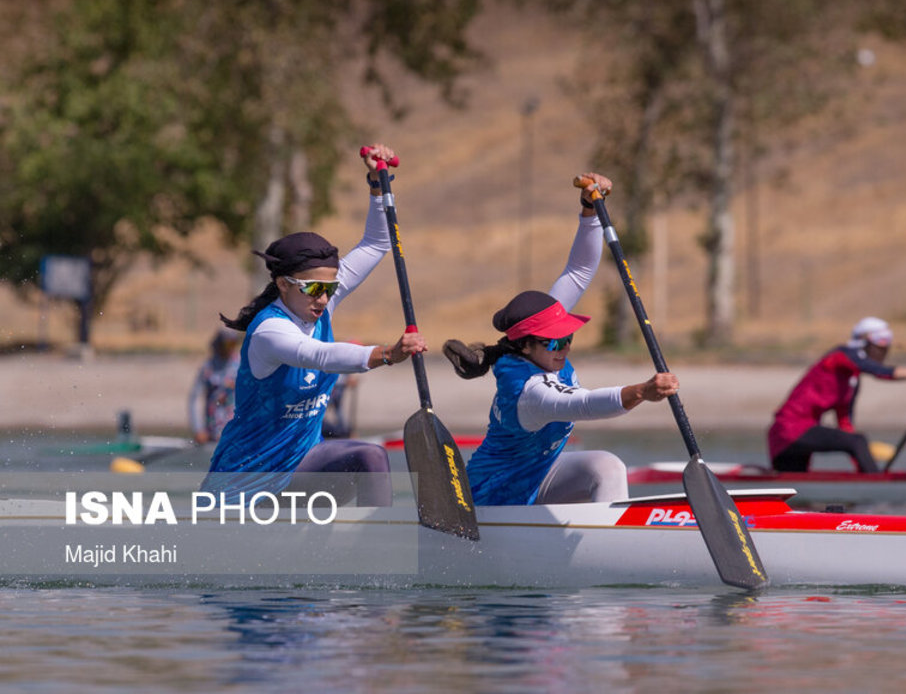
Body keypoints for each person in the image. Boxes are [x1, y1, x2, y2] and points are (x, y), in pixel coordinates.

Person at [200, 144, 428, 507]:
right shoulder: (270, 331)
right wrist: (387, 353)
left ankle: (380, 553)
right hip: (243, 487)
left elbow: (377, 242)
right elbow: (316, 354)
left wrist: (376, 183)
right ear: (283, 284)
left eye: (331, 288)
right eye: (314, 289)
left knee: (370, 457)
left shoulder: (321, 301)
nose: (323, 298)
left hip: (300, 470)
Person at [442, 173, 679, 506]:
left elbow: (578, 271)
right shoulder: (530, 392)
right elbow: (582, 404)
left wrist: (589, 209)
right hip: (493, 499)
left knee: (607, 467)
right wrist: (641, 391)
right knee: (604, 466)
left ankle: (603, 546)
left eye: (567, 337)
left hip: (536, 474)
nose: (564, 347)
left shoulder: (536, 339)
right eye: (553, 342)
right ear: (525, 345)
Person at [768, 317, 906, 474]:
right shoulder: (840, 356)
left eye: (887, 348)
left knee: (798, 484)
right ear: (863, 342)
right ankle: (876, 487)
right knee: (858, 441)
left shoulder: (851, 381)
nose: (884, 352)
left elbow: (845, 424)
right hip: (788, 430)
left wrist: (861, 470)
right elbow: (880, 372)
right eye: (880, 347)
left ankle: (871, 482)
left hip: (801, 434)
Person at [188, 326, 241, 444]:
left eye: (233, 344)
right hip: (212, 432)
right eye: (226, 344)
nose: (229, 349)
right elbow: (194, 399)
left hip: (234, 432)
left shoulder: (241, 366)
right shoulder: (208, 367)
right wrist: (198, 429)